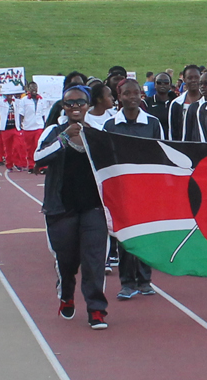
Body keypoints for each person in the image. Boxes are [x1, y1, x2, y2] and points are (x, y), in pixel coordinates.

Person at [34, 84, 110, 330]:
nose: (75, 107)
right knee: (67, 261)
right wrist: (65, 136)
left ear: (88, 105)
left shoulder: (98, 131)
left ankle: (96, 309)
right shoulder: (53, 131)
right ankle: (66, 292)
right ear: (63, 107)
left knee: (94, 259)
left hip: (94, 207)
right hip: (61, 207)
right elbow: (38, 159)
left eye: (80, 102)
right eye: (70, 103)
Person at [103, 79, 164, 300]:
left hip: (146, 189)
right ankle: (127, 283)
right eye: (127, 93)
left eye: (136, 93)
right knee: (125, 237)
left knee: (146, 235)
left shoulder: (153, 123)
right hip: (122, 190)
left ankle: (145, 280)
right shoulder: (111, 125)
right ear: (119, 97)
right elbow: (106, 158)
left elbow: (161, 154)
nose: (132, 97)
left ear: (142, 95)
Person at [19, 82, 48, 172]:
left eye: (35, 87)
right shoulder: (24, 100)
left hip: (39, 126)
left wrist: (44, 124)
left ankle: (42, 166)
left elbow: (43, 114)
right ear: (28, 89)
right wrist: (20, 124)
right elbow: (21, 113)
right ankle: (31, 166)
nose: (34, 89)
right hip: (28, 127)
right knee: (30, 148)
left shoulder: (42, 100)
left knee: (39, 146)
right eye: (32, 88)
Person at [168, 65, 201, 140]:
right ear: (184, 79)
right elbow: (173, 131)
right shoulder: (176, 104)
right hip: (182, 148)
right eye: (190, 78)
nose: (193, 80)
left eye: (196, 77)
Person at [0, 93, 27, 172]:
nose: (9, 96)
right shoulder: (1, 102)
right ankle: (9, 164)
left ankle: (18, 163)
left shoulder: (17, 102)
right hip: (5, 128)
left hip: (15, 127)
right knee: (7, 148)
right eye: (8, 95)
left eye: (11, 95)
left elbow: (21, 111)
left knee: (18, 146)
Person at [144, 72, 176, 139]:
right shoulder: (147, 102)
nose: (162, 85)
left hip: (173, 142)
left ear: (170, 85)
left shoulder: (176, 103)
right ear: (154, 85)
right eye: (159, 82)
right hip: (154, 141)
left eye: (166, 82)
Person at [182, 70, 207, 141]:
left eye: (206, 83)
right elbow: (187, 134)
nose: (202, 86)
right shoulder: (194, 107)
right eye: (200, 84)